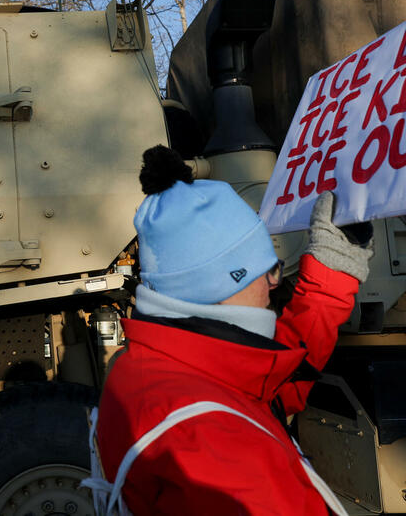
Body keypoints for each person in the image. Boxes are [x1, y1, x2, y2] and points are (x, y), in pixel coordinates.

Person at [91, 145, 372, 515]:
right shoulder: (224, 448)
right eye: (268, 269)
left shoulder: (153, 369)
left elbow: (264, 386)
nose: (275, 283)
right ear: (223, 283)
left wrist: (332, 272)